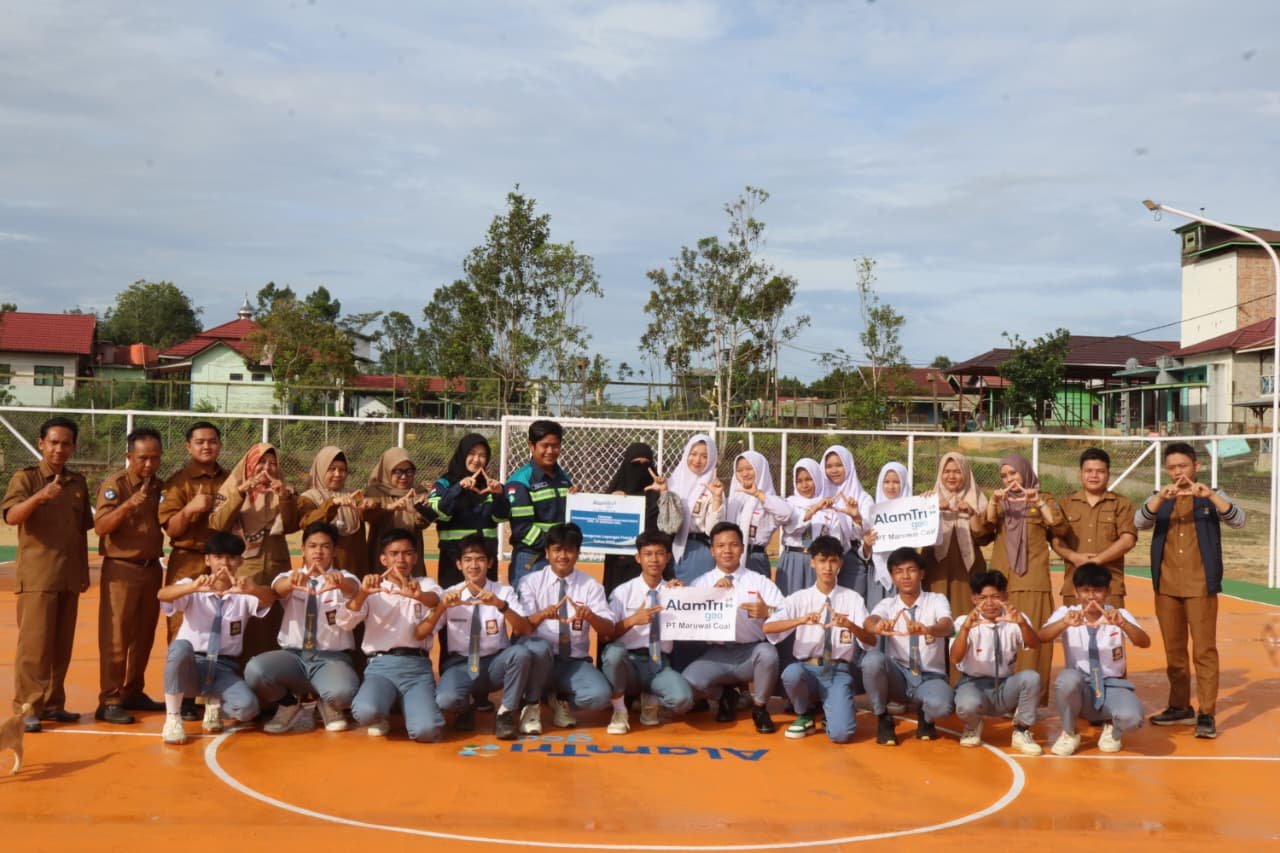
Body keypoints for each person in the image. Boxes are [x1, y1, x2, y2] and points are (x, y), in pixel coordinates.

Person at [1134, 441, 1245, 739]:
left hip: (1200, 585)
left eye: (1183, 466)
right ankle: (1180, 706)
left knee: (1204, 650)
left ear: (1196, 466)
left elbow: (1239, 520)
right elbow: (1139, 521)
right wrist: (1159, 498)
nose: (1178, 472)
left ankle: (1206, 712)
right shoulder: (1161, 496)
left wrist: (1209, 495)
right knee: (1174, 650)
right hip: (1167, 586)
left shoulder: (1212, 495)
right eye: (1171, 468)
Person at [2, 416, 93, 733]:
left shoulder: (77, 482)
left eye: (66, 443)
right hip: (38, 577)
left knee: (61, 646)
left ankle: (54, 703)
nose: (59, 448)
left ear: (73, 447)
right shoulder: (25, 479)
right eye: (53, 442)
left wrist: (83, 571)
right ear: (41, 443)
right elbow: (12, 517)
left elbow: (81, 532)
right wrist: (39, 497)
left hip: (68, 576)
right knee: (34, 647)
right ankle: (27, 708)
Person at [157, 532, 275, 745]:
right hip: (193, 665)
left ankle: (215, 705)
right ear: (207, 560)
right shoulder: (194, 586)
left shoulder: (244, 592)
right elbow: (162, 595)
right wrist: (193, 587)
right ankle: (173, 718)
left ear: (240, 560)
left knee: (248, 708)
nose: (224, 563)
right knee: (180, 647)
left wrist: (253, 589)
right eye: (218, 557)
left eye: (231, 557)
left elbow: (270, 598)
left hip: (223, 668)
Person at [244, 521, 361, 734]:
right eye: (313, 546)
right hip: (294, 658)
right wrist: (293, 582)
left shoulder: (345, 578)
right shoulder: (289, 577)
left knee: (343, 692)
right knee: (255, 671)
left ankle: (328, 704)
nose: (318, 551)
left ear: (334, 551)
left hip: (331, 658)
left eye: (325, 546)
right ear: (303, 550)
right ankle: (289, 704)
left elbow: (354, 590)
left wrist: (340, 583)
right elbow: (278, 590)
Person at [425, 533, 543, 741]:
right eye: (468, 560)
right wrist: (441, 607)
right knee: (445, 699)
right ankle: (466, 707)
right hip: (461, 665)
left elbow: (525, 629)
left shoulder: (503, 592)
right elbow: (425, 632)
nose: (474, 565)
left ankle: (505, 713)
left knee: (521, 653)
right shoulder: (449, 595)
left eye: (480, 559)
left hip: (495, 664)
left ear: (489, 563)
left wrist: (500, 606)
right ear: (459, 564)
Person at [764, 535, 877, 743]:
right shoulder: (800, 598)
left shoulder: (852, 599)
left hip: (838, 671)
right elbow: (768, 627)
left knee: (841, 735)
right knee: (791, 673)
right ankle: (804, 713)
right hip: (807, 669)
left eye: (833, 561)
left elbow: (871, 641)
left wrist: (850, 625)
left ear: (841, 563)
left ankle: (834, 709)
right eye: (822, 561)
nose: (827, 567)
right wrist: (800, 620)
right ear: (812, 562)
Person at [977, 453, 1068, 706]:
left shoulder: (1045, 498)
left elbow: (1060, 529)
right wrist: (994, 503)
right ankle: (999, 698)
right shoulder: (1000, 501)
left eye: (1013, 473)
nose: (1009, 480)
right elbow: (981, 532)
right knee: (1000, 640)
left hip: (1032, 580)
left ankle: (1028, 701)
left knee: (1031, 642)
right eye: (1004, 476)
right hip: (1002, 582)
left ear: (1025, 472)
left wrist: (1037, 501)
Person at [338, 528, 445, 741]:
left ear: (415, 557)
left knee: (427, 731)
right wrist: (362, 594)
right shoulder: (371, 587)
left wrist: (419, 595)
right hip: (381, 666)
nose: (401, 559)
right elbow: (344, 621)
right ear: (383, 559)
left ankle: (408, 703)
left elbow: (436, 601)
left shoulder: (425, 584)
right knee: (365, 712)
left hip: (417, 668)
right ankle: (385, 708)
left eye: (407, 553)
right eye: (394, 553)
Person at [93, 426, 166, 725]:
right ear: (129, 456)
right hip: (121, 570)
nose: (148, 464)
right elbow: (101, 526)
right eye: (142, 458)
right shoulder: (116, 485)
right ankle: (110, 699)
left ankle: (133, 690)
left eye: (154, 458)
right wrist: (127, 505)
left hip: (151, 570)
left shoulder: (160, 486)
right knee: (116, 636)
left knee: (143, 635)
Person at [683, 521, 785, 734]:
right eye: (720, 546)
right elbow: (684, 617)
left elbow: (785, 614)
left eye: (733, 545)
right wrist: (709, 595)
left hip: (750, 653)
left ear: (742, 547)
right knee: (688, 683)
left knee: (768, 654)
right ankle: (725, 696)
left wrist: (769, 612)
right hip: (718, 654)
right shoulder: (701, 583)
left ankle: (760, 708)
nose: (727, 550)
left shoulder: (759, 581)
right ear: (712, 550)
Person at [1040, 562, 1151, 756]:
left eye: (1097, 590)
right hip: (1081, 687)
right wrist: (1063, 624)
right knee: (1066, 680)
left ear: (1107, 591)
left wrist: (1123, 624)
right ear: (1076, 592)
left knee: (1133, 718)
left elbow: (1144, 642)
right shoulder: (1067, 614)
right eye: (1085, 590)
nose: (1091, 597)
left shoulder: (1119, 615)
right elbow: (1041, 637)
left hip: (1112, 685)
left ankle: (1112, 728)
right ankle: (1070, 732)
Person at [209, 443, 300, 661]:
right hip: (244, 563)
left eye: (272, 464)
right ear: (250, 465)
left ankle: (272, 684)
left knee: (275, 619)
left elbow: (292, 525)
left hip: (277, 563)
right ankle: (238, 677)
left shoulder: (285, 489)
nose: (267, 469)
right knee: (243, 618)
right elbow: (218, 524)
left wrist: (284, 497)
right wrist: (241, 493)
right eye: (261, 463)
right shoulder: (233, 488)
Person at [518, 523, 613, 729]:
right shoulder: (529, 582)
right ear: (547, 552)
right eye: (557, 550)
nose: (563, 555)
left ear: (578, 553)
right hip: (540, 661)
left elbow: (608, 630)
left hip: (573, 662)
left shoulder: (591, 586)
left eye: (569, 550)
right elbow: (522, 628)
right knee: (536, 646)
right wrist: (542, 614)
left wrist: (591, 616)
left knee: (601, 696)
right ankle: (533, 704)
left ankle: (560, 700)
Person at [601, 531, 694, 735]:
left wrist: (687, 597)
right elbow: (607, 635)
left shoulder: (675, 592)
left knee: (683, 700)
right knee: (613, 653)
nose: (654, 559)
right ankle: (619, 710)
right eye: (648, 554)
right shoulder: (622, 592)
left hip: (659, 664)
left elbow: (696, 623)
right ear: (638, 558)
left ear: (668, 558)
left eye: (660, 554)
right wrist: (634, 620)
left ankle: (650, 696)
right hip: (629, 664)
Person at [862, 547, 955, 746]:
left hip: (929, 675)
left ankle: (926, 715)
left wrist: (928, 629)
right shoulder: (888, 604)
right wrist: (878, 626)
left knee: (943, 707)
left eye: (911, 570)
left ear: (922, 573)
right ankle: (883, 718)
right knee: (871, 660)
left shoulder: (936, 600)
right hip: (899, 676)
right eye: (898, 571)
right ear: (892, 577)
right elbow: (869, 622)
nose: (905, 576)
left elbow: (947, 626)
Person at [950, 570, 1043, 755]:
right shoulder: (963, 621)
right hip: (974, 685)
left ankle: (1022, 731)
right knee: (966, 705)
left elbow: (1034, 644)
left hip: (1005, 686)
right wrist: (966, 629)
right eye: (983, 598)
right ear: (974, 599)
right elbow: (955, 658)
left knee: (1031, 678)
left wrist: (1022, 624)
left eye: (995, 596)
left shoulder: (1015, 618)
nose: (990, 603)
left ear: (1005, 596)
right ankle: (972, 725)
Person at [158, 421, 229, 643]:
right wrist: (190, 509)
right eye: (199, 442)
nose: (206, 446)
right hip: (187, 561)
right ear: (188, 446)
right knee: (181, 628)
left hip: (223, 563)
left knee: (224, 625)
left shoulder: (232, 480)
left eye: (212, 441)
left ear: (219, 445)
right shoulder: (177, 483)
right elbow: (172, 529)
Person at [1050, 448, 1138, 608]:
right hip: (1075, 586)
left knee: (1111, 630)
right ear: (1080, 473)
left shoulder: (1121, 503)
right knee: (1075, 630)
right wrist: (1074, 557)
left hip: (1110, 587)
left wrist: (1097, 560)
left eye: (1100, 471)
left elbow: (1128, 540)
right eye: (1088, 471)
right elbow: (1056, 540)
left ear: (1108, 474)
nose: (1094, 476)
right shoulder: (1065, 504)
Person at [425, 434, 509, 588]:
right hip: (453, 561)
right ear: (462, 453)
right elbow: (438, 512)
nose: (477, 459)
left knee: (486, 606)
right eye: (471, 453)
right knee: (453, 607)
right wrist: (458, 488)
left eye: (482, 455)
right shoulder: (445, 483)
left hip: (484, 562)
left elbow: (501, 518)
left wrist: (498, 495)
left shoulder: (490, 485)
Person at [601, 443, 682, 596]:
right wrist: (611, 504)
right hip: (620, 566)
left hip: (652, 565)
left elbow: (671, 528)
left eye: (646, 464)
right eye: (635, 464)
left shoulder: (659, 496)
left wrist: (663, 494)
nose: (641, 469)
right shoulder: (614, 494)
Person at [920, 451, 991, 624]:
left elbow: (984, 538)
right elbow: (917, 533)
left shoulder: (979, 500)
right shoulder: (928, 499)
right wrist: (930, 508)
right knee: (934, 614)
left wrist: (971, 513)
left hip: (968, 569)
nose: (951, 476)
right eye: (947, 471)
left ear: (965, 473)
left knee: (965, 613)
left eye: (957, 471)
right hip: (935, 567)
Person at [506, 420, 572, 590]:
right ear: (531, 445)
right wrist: (552, 548)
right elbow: (522, 529)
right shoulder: (520, 481)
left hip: (557, 556)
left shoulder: (563, 478)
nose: (551, 451)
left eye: (556, 445)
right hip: (531, 558)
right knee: (527, 612)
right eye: (545, 445)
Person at [297, 446, 372, 577]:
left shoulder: (354, 495)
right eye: (332, 469)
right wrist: (333, 504)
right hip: (320, 571)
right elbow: (307, 523)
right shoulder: (308, 498)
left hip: (353, 569)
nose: (338, 474)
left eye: (342, 470)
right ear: (320, 470)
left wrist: (372, 505)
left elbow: (371, 517)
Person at [777, 459, 849, 595]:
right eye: (799, 481)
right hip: (793, 559)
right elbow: (792, 527)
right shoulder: (790, 504)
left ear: (817, 478)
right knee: (790, 602)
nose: (804, 485)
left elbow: (835, 541)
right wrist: (814, 509)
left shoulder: (829, 508)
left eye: (809, 479)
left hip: (818, 562)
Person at [666, 434, 725, 583]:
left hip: (700, 550)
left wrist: (717, 498)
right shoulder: (672, 483)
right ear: (686, 454)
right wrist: (662, 493)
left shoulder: (714, 487)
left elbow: (713, 529)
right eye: (693, 454)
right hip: (672, 548)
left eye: (704, 456)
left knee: (696, 598)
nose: (697, 460)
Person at [364, 448, 429, 576]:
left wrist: (418, 511)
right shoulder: (375, 492)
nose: (404, 477)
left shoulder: (418, 492)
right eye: (398, 472)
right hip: (382, 557)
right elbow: (369, 517)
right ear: (387, 470)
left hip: (410, 559)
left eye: (409, 472)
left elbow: (424, 524)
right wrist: (390, 507)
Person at [725, 451, 792, 576]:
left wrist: (758, 494)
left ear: (760, 470)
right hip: (729, 557)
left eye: (750, 469)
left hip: (755, 559)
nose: (745, 474)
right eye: (739, 470)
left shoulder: (768, 499)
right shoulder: (732, 500)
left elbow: (786, 514)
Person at [857, 461, 911, 612]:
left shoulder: (914, 511)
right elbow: (865, 553)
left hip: (906, 572)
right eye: (886, 482)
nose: (891, 486)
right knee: (878, 616)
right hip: (878, 572)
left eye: (896, 482)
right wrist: (867, 544)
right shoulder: (872, 512)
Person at [819, 445, 873, 593]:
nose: (834, 470)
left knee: (851, 608)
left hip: (853, 560)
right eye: (829, 466)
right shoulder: (819, 495)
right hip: (824, 559)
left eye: (839, 465)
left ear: (848, 466)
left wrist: (856, 517)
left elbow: (868, 533)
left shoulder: (863, 498)